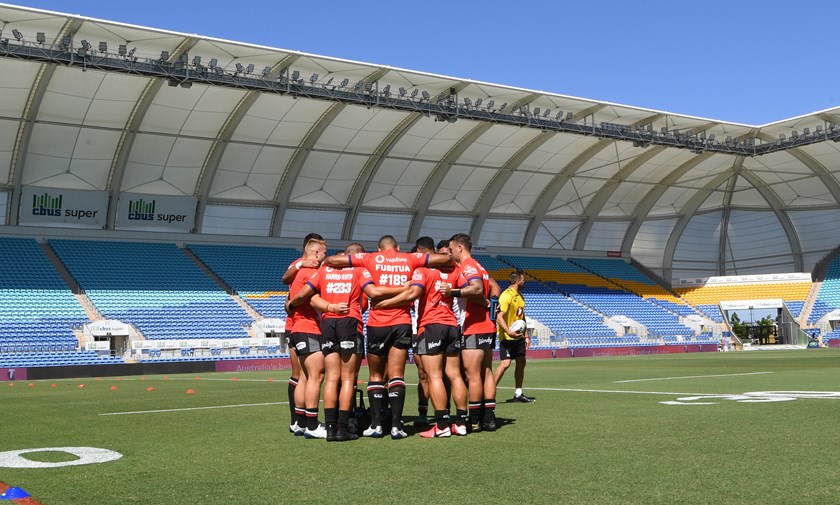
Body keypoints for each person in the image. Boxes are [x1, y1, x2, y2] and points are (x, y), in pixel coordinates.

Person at [324, 235, 452, 439]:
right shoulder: (410, 259)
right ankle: (396, 426)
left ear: (379, 248)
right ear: (398, 247)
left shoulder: (370, 258)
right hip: (402, 322)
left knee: (375, 376)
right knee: (396, 375)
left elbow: (332, 261)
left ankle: (375, 426)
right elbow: (445, 260)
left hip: (377, 323)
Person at [285, 243, 403, 441]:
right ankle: (342, 428)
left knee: (331, 378)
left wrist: (291, 304)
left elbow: (306, 294)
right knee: (348, 379)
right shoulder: (359, 270)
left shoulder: (324, 271)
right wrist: (403, 289)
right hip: (350, 323)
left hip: (328, 323)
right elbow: (373, 294)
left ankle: (329, 429)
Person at [373, 238, 469, 438]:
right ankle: (460, 422)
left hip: (431, 325)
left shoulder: (422, 270)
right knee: (455, 375)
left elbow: (413, 294)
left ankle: (441, 425)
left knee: (433, 376)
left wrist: (386, 303)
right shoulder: (454, 270)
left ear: (419, 253)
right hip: (452, 325)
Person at [443, 233, 501, 432]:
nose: (450, 253)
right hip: (487, 326)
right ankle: (489, 417)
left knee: (472, 374)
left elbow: (475, 289)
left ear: (460, 247)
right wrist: (491, 303)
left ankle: (475, 420)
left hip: (474, 327)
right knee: (486, 372)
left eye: (451, 249)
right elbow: (493, 286)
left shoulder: (467, 266)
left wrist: (453, 292)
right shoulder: (480, 266)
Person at [285, 238, 328, 439]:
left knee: (303, 376)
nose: (326, 256)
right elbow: (310, 298)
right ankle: (312, 424)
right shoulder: (311, 273)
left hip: (297, 328)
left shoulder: (298, 272)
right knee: (315, 376)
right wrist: (332, 307)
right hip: (309, 328)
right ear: (316, 253)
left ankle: (301, 423)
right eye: (324, 253)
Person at [494, 270, 534, 403]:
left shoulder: (520, 297)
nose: (524, 281)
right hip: (507, 337)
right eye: (523, 279)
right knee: (505, 363)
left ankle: (518, 393)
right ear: (517, 281)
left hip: (519, 338)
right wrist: (508, 331)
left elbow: (521, 318)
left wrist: (526, 336)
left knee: (521, 361)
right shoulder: (506, 296)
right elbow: (499, 317)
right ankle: (489, 392)